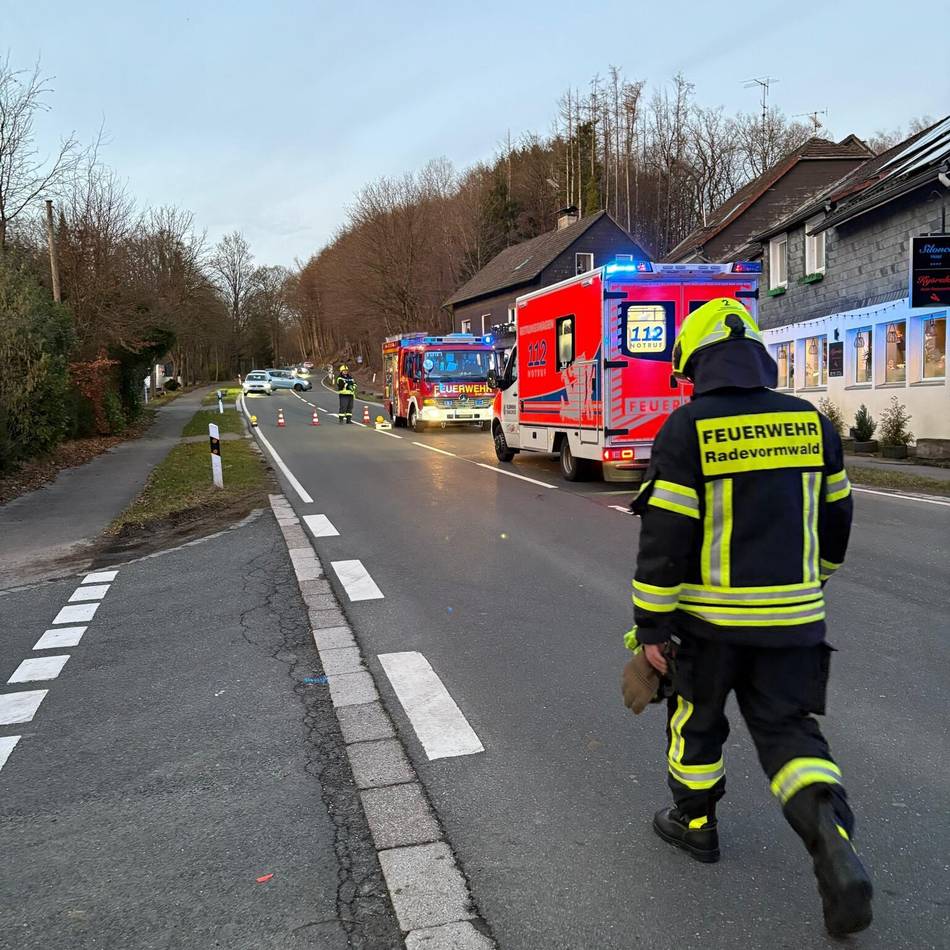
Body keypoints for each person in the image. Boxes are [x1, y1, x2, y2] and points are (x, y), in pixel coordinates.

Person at [625, 297, 872, 938]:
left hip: (708, 628)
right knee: (791, 735)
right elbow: (838, 518)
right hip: (794, 622)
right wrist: (815, 580)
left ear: (698, 364)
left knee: (696, 725)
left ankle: (696, 825)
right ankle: (831, 834)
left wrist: (651, 629)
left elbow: (665, 540)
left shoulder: (687, 428)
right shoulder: (812, 423)